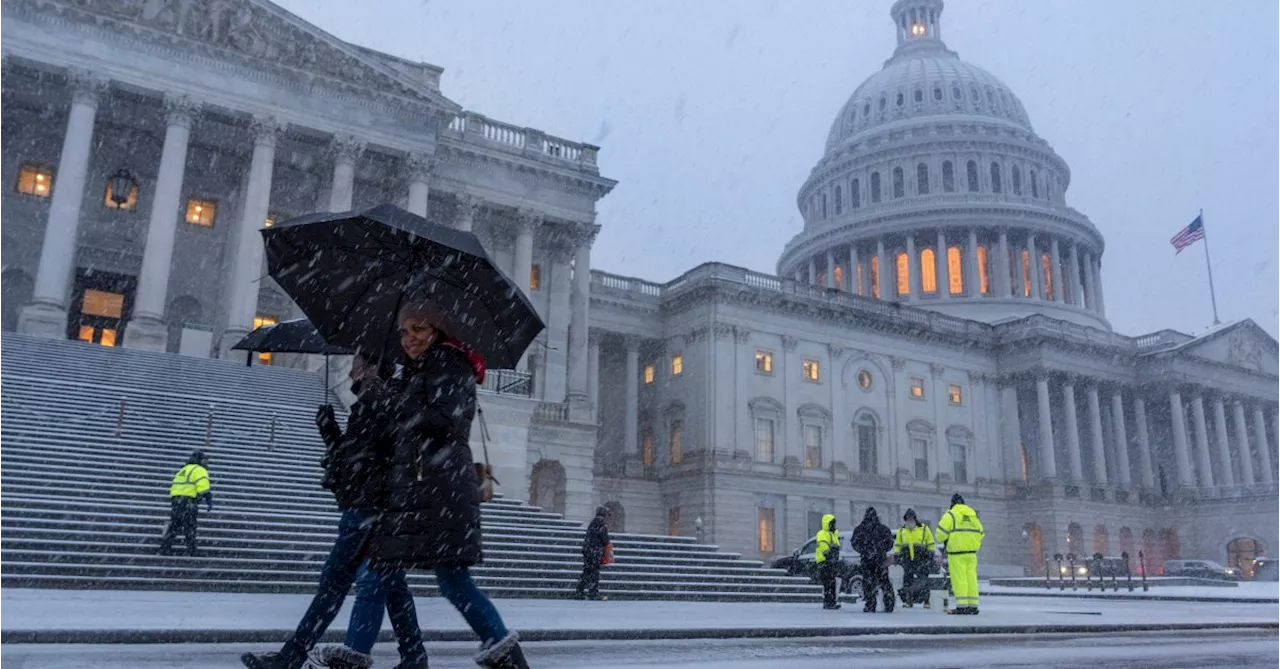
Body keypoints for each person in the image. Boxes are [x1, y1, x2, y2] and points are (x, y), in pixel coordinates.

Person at [365, 299, 529, 669]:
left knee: (448, 581)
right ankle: (415, 655)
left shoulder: (447, 364)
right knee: (435, 579)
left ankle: (499, 655)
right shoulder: (424, 368)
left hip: (441, 488)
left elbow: (445, 423)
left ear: (437, 331)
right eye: (404, 331)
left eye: (418, 329)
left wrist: (394, 400)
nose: (409, 339)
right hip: (429, 487)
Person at [241, 352, 429, 669]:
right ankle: (414, 656)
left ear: (369, 367)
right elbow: (362, 454)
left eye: (356, 361)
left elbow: (362, 459)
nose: (351, 366)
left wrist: (337, 443)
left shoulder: (375, 397)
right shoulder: (378, 399)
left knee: (335, 583)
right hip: (376, 505)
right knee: (392, 587)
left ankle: (294, 656)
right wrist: (330, 431)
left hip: (368, 507)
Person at [936, 493, 985, 615]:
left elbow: (939, 535)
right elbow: (981, 533)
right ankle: (973, 606)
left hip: (956, 554)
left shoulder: (951, 515)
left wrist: (950, 539)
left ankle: (962, 606)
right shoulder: (973, 516)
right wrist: (972, 542)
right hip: (971, 554)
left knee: (959, 579)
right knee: (971, 579)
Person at [158, 450, 212, 555]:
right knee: (190, 526)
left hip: (176, 501)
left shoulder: (183, 469)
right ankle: (191, 550)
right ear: (200, 460)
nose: (206, 463)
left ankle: (165, 547)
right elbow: (203, 486)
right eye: (205, 460)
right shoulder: (199, 470)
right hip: (188, 501)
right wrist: (208, 499)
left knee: (175, 525)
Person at [851, 507, 895, 613]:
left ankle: (870, 604)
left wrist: (864, 551)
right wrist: (881, 550)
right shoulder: (883, 529)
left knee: (868, 583)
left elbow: (854, 543)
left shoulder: (860, 529)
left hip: (867, 560)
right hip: (880, 560)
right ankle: (889, 604)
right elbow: (890, 543)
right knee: (885, 582)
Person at [894, 508, 936, 608]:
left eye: (911, 519)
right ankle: (908, 601)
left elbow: (930, 543)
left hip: (921, 558)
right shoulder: (901, 530)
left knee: (924, 580)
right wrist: (897, 555)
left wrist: (930, 554)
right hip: (908, 559)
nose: (909, 521)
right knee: (907, 580)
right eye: (907, 519)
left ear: (915, 519)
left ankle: (926, 601)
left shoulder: (924, 529)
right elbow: (898, 544)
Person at [575, 506, 612, 600]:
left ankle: (579, 591)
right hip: (595, 551)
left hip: (588, 551)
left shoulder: (592, 523)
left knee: (586, 571)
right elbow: (605, 539)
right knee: (594, 573)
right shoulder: (602, 524)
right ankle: (593, 592)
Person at [813, 513, 840, 610]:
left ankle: (831, 602)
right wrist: (830, 555)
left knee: (831, 583)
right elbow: (823, 546)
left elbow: (836, 546)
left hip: (831, 561)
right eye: (832, 523)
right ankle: (828, 602)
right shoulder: (822, 533)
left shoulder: (834, 534)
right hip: (824, 561)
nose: (834, 526)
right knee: (828, 583)